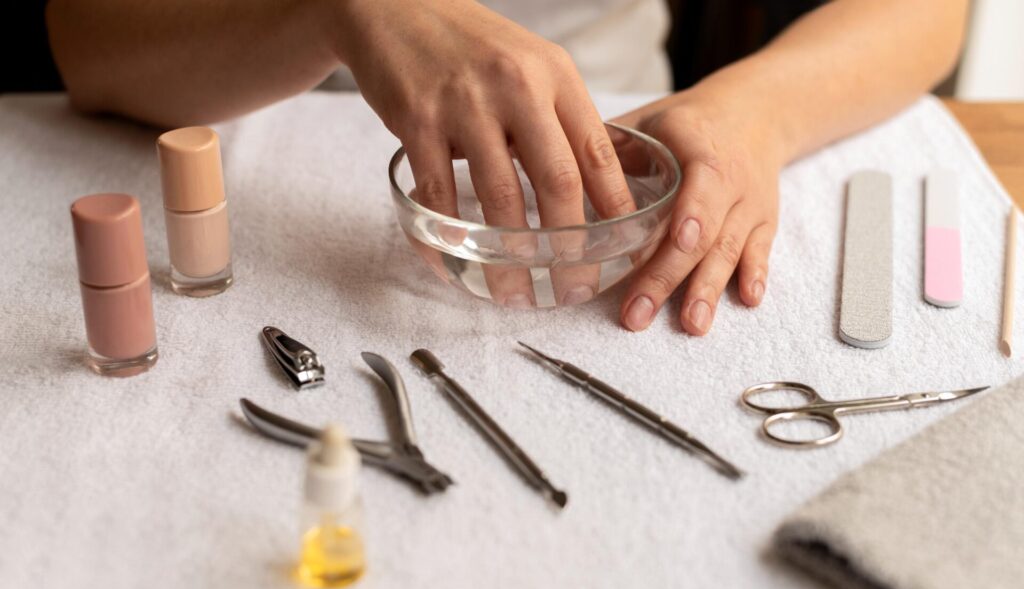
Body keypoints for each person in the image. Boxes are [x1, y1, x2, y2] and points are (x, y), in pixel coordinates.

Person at [36, 0, 968, 333]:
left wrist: (755, 112)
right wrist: (334, 8)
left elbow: (931, 11)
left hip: (634, 161)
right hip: (257, 136)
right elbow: (87, 42)